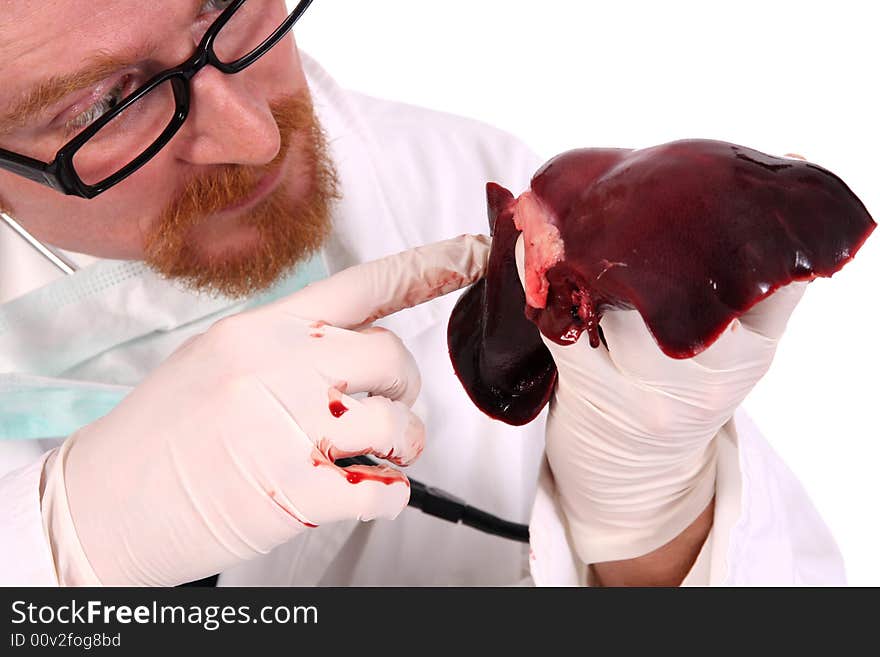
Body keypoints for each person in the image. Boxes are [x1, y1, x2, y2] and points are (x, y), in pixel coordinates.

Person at [0, 0, 846, 587]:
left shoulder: (463, 183)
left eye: (224, 4)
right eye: (110, 105)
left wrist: (651, 520)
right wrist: (55, 544)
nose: (254, 137)